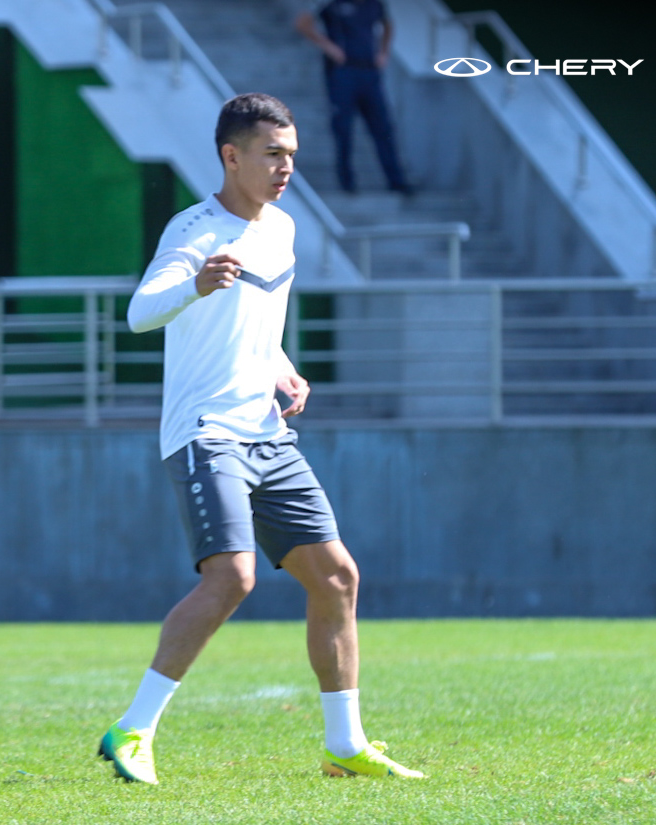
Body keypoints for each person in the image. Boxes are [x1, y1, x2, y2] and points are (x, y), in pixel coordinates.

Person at [98, 93, 424, 785]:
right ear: (231, 156)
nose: (285, 168)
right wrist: (194, 281)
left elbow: (260, 326)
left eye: (291, 156)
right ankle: (132, 728)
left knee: (337, 576)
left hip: (267, 435)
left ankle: (344, 744)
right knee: (234, 576)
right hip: (206, 433)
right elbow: (137, 313)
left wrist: (285, 368)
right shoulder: (193, 229)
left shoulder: (282, 230)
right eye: (273, 154)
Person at [295, 0, 411, 194]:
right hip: (343, 71)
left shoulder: (374, 4)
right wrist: (329, 47)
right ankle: (347, 181)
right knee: (343, 128)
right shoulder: (331, 3)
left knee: (383, 127)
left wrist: (383, 52)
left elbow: (388, 25)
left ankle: (396, 180)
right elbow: (302, 23)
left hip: (369, 71)